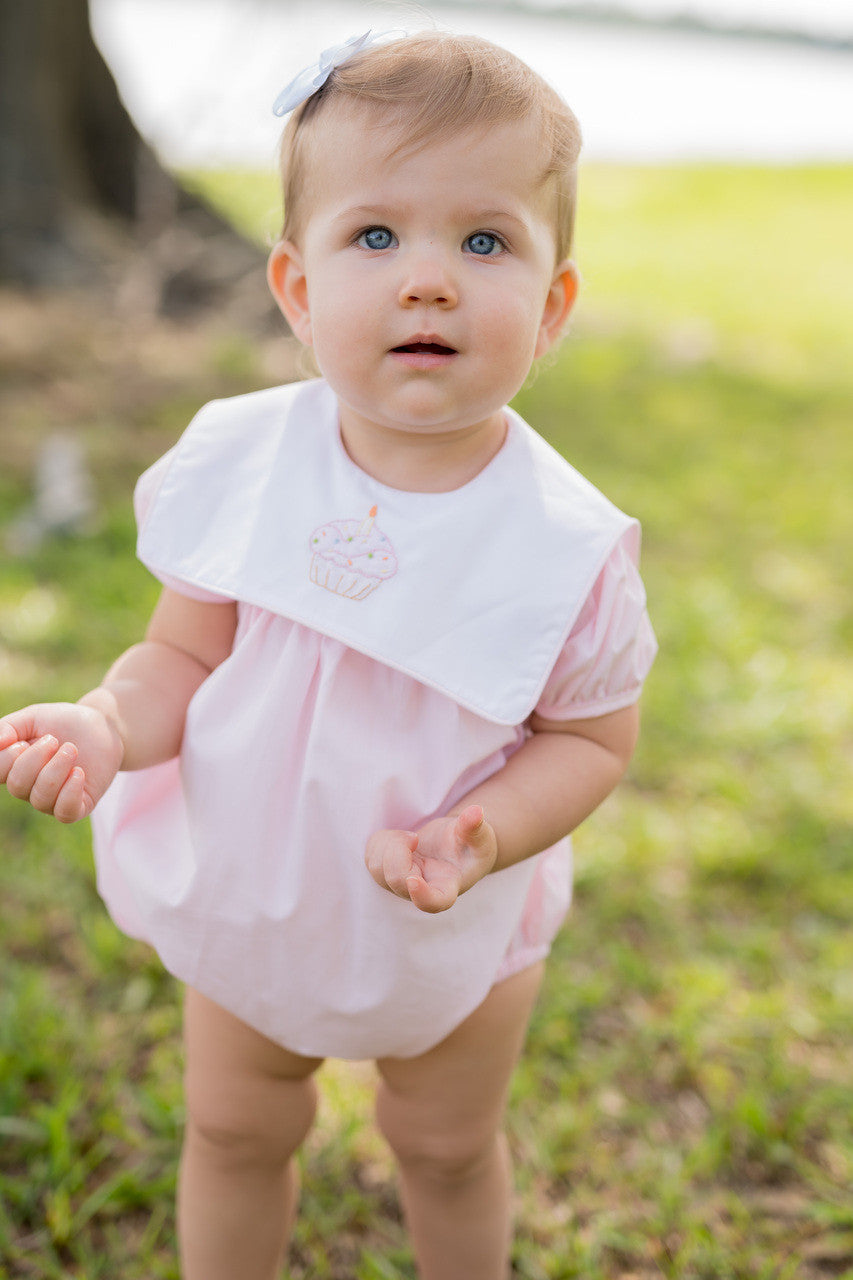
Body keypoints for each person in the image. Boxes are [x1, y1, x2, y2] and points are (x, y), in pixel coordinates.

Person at [0, 29, 657, 1280]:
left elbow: (589, 739)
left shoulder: (562, 545)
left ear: (553, 303)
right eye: (374, 237)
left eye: (484, 240)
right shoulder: (245, 464)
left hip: (448, 915)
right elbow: (180, 659)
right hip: (256, 881)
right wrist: (104, 721)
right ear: (296, 291)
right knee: (236, 1124)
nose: (428, 281)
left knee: (445, 1139)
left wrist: (486, 834)